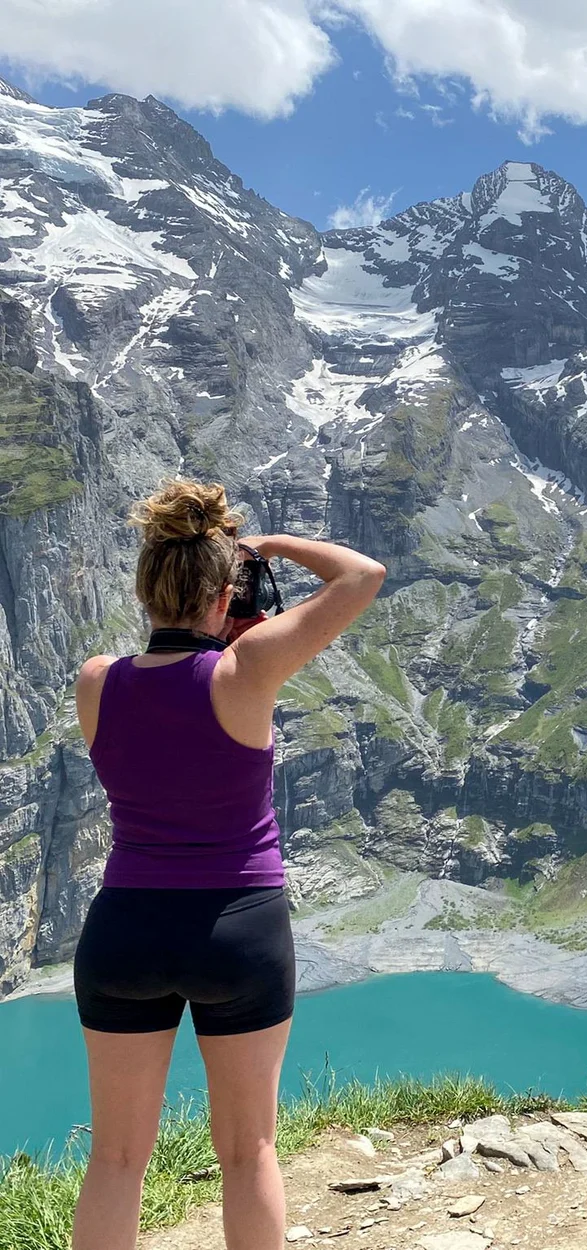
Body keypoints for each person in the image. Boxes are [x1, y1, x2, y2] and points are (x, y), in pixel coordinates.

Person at [71, 477, 386, 1250]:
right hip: (237, 929)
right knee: (248, 1155)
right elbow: (362, 575)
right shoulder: (247, 673)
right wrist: (268, 548)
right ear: (225, 593)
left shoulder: (96, 680)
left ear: (146, 589)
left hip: (124, 929)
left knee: (115, 1159)